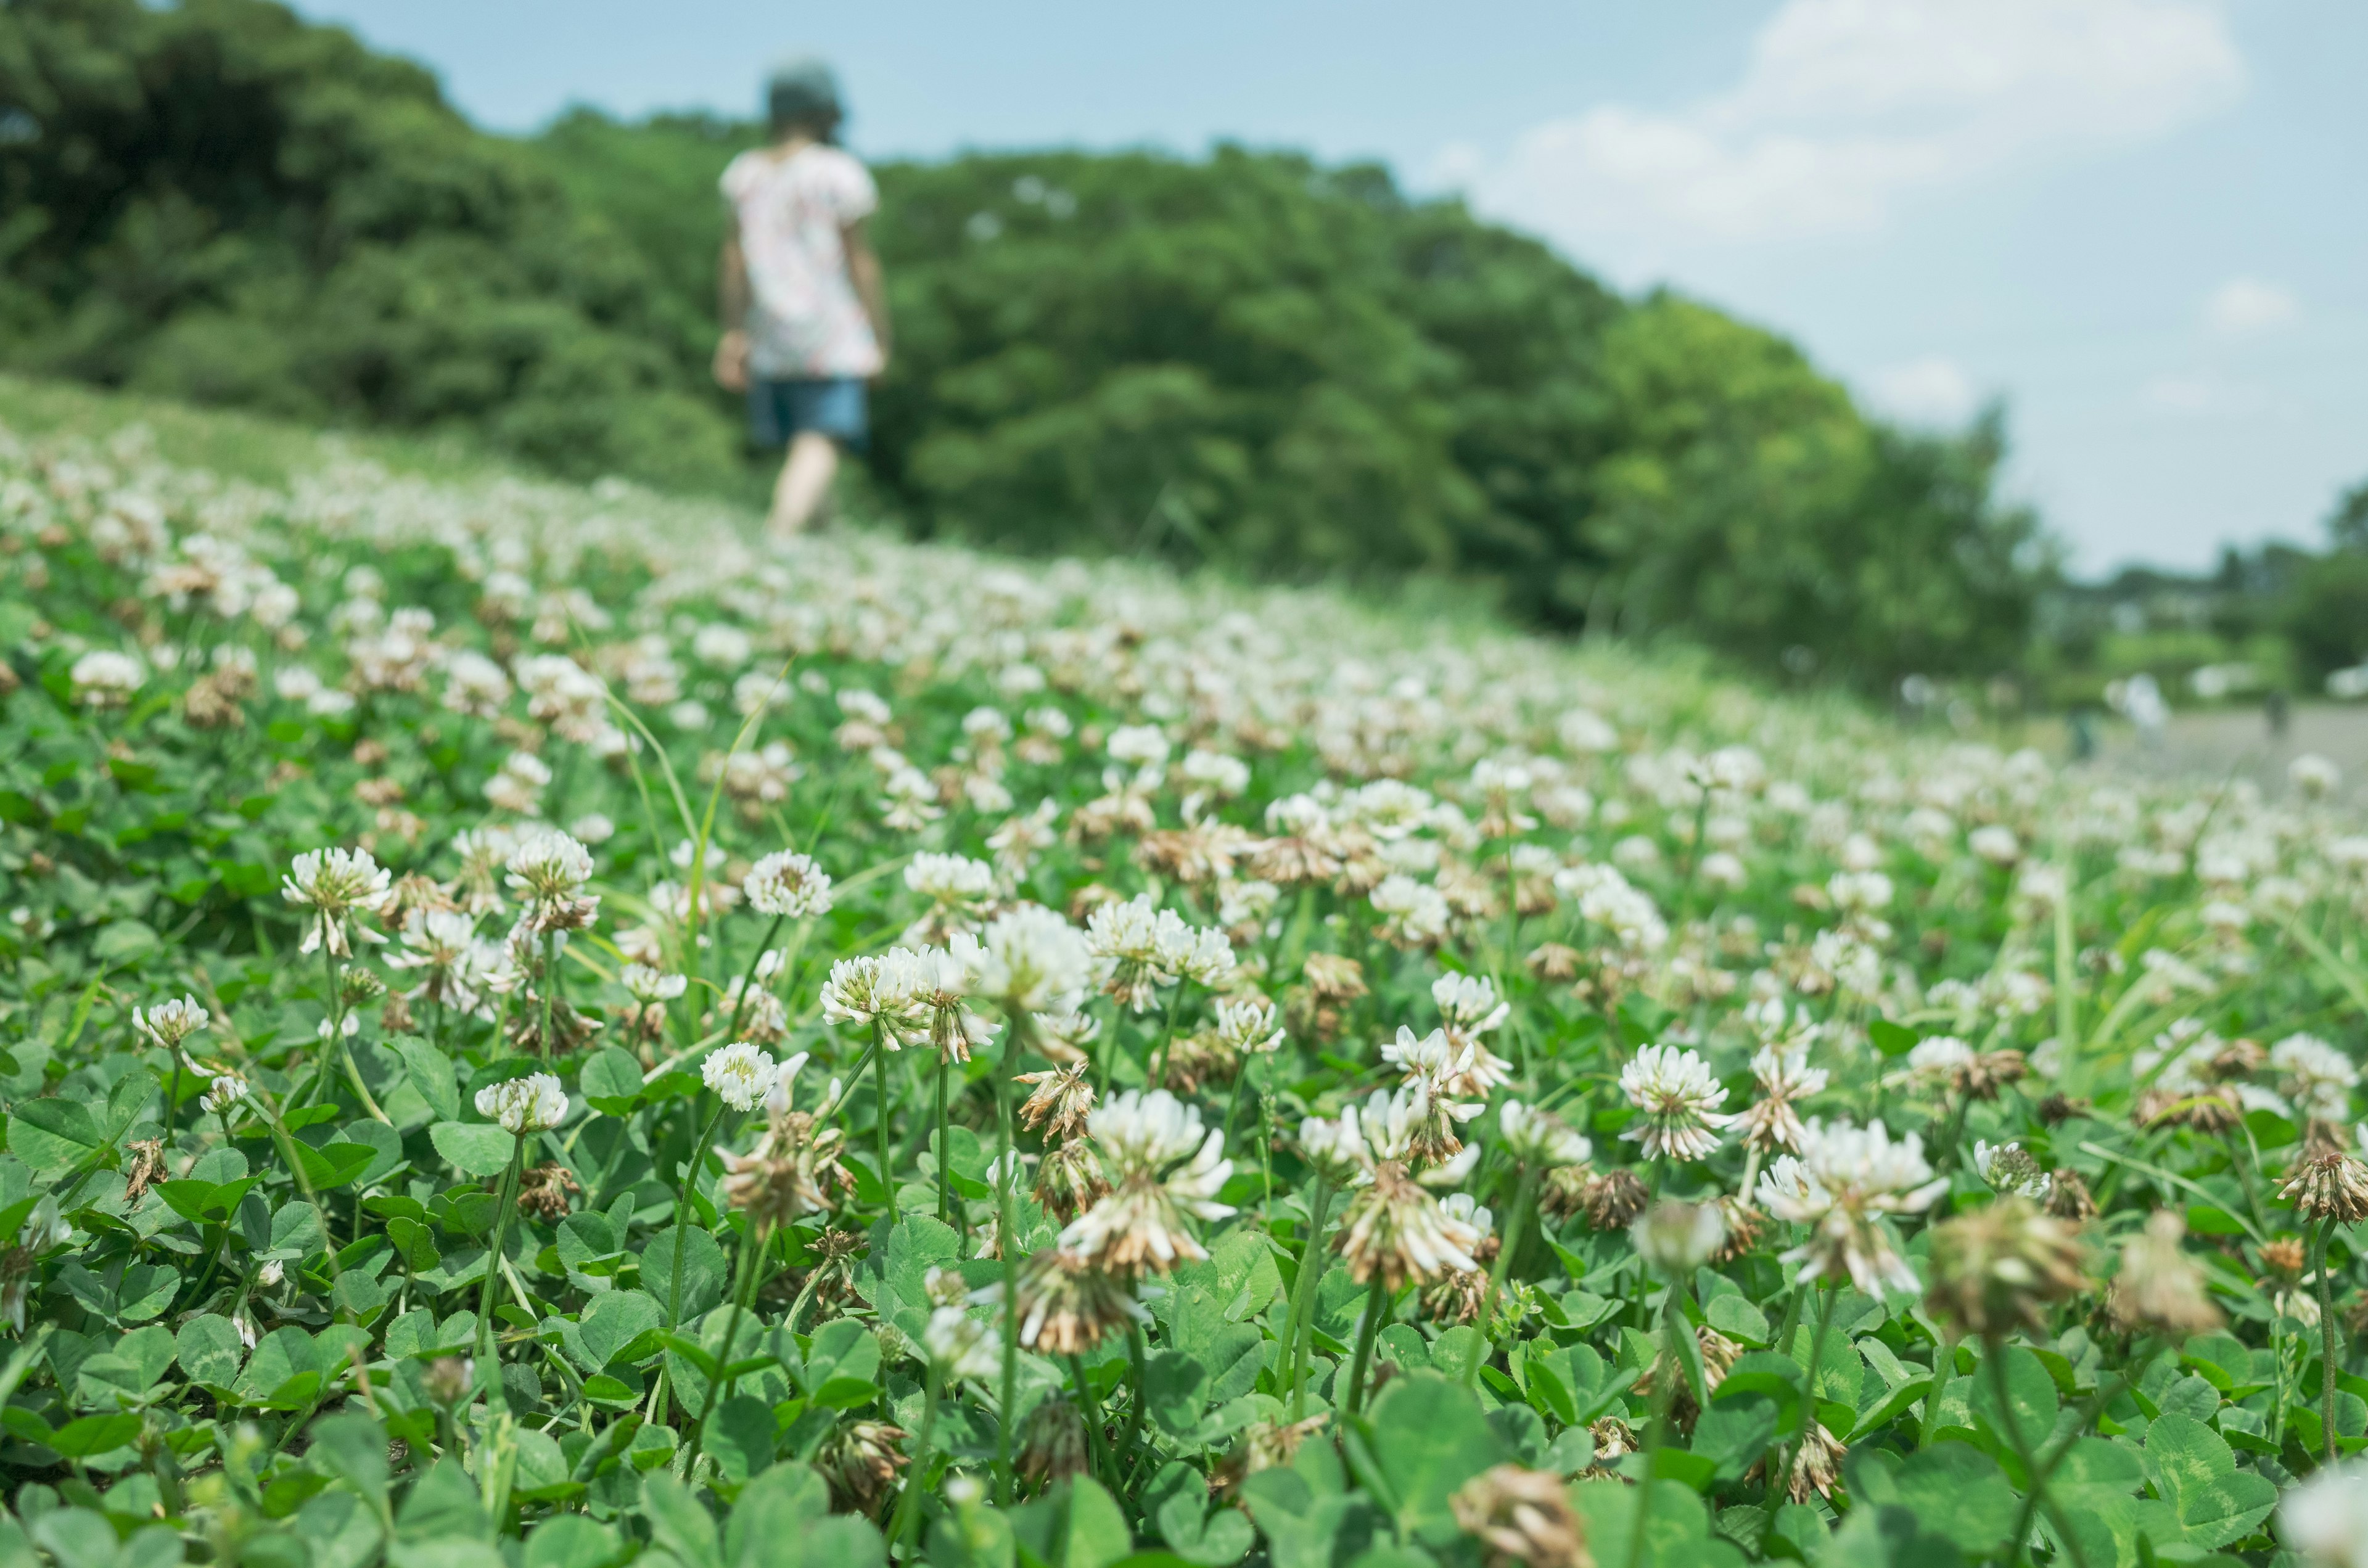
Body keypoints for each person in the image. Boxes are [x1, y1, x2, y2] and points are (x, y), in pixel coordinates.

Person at [713, 59, 892, 537]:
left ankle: (823, 543)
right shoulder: (839, 173)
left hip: (768, 325)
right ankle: (781, 531)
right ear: (827, 112)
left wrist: (732, 333)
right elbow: (861, 263)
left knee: (803, 439)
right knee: (823, 440)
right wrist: (878, 336)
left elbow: (733, 261)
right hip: (830, 326)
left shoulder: (744, 174)